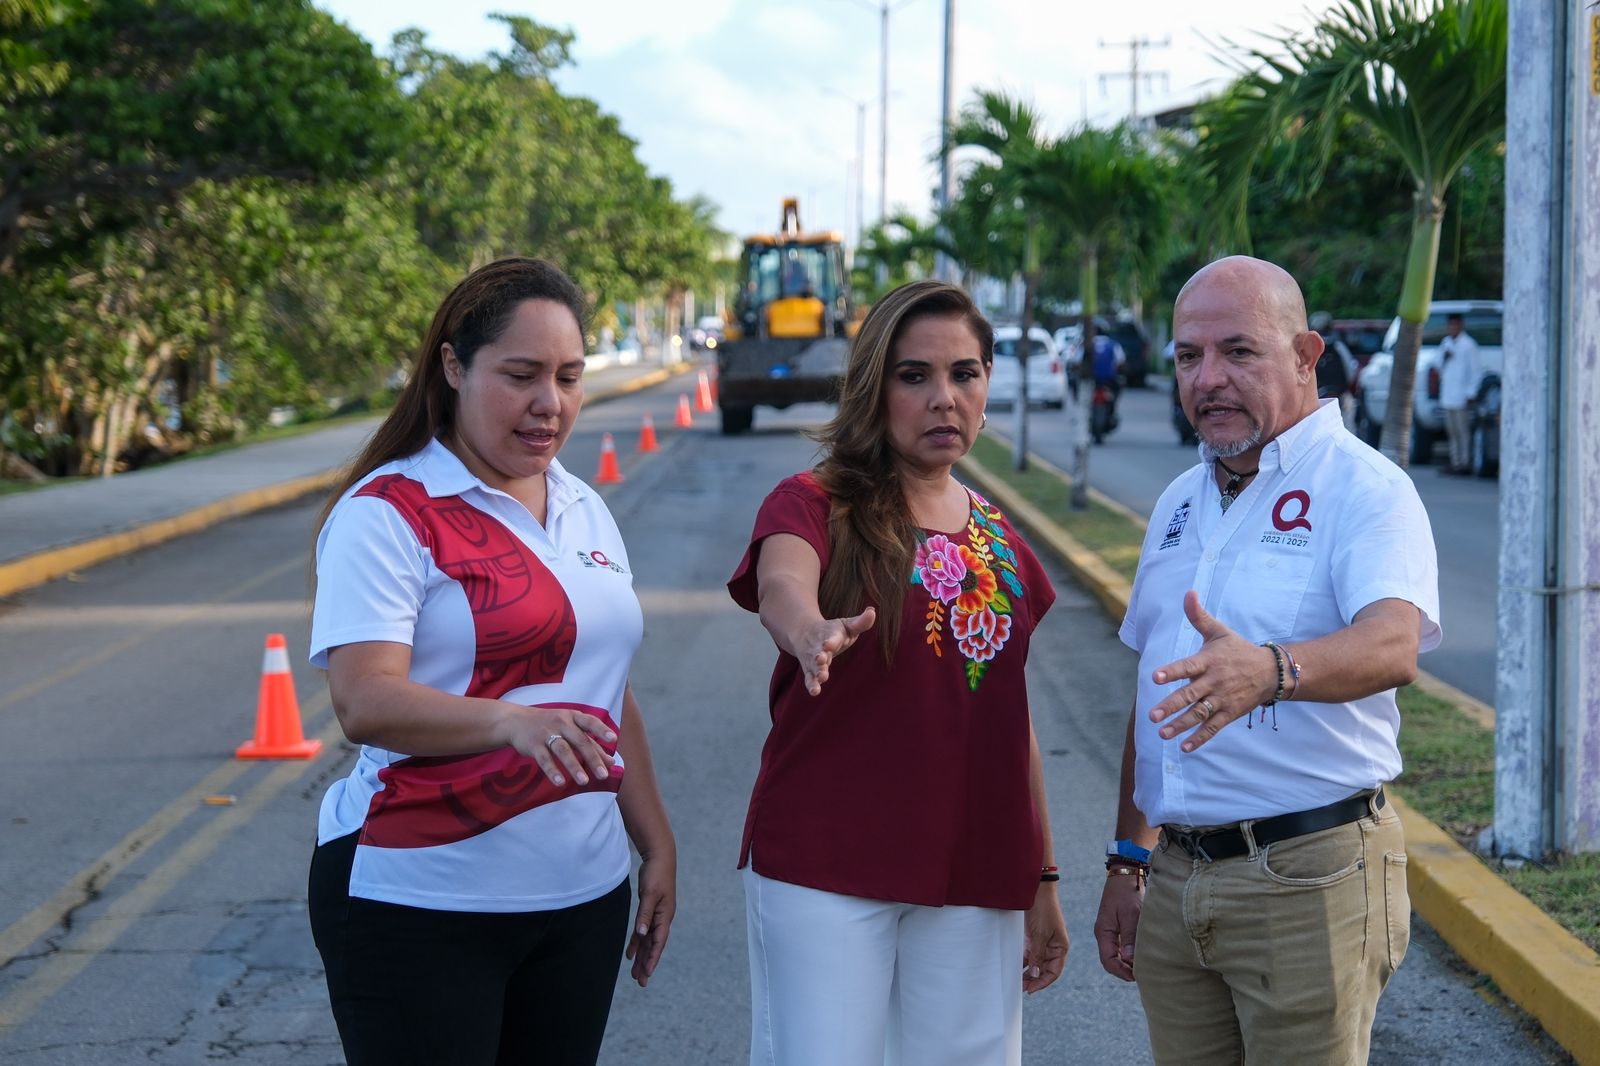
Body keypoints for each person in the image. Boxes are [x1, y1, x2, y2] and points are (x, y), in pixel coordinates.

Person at [305, 257, 676, 1066]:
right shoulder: (388, 512)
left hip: (581, 898)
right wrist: (509, 720)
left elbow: (607, 689)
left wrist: (654, 844)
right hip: (419, 896)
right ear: (452, 366)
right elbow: (363, 699)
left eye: (569, 377)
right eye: (521, 376)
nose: (550, 405)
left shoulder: (585, 506)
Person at [1093, 256, 1440, 1066]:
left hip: (1309, 878)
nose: (1208, 378)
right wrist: (1129, 859)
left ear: (1305, 355)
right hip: (1177, 878)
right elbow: (1155, 695)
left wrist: (1272, 670)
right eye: (1188, 356)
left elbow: (1394, 643)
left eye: (1238, 352)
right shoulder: (1182, 500)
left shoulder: (1365, 489)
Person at [727, 279, 1068, 1066]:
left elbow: (1008, 720)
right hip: (827, 863)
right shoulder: (813, 501)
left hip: (978, 869)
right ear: (873, 387)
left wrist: (1043, 877)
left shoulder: (1000, 539)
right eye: (914, 376)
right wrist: (807, 628)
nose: (943, 397)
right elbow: (783, 582)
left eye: (964, 374)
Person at [1438, 312, 1481, 475]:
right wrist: (1444, 356)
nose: (1452, 328)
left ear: (1461, 326)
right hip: (1448, 395)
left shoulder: (1469, 345)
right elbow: (1437, 365)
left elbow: (1475, 371)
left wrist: (1471, 393)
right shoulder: (1446, 343)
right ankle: (1454, 461)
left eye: (1455, 325)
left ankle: (1464, 462)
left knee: (1463, 431)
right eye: (1450, 325)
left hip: (1462, 396)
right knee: (1451, 431)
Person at [1309, 310, 1358, 427]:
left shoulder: (1309, 348)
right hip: (1338, 396)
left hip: (1315, 398)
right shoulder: (1338, 346)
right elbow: (1351, 372)